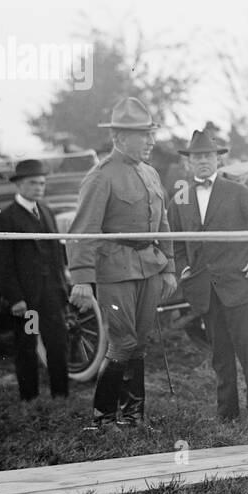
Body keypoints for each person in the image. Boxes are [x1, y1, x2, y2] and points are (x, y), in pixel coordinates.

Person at [67, 97, 176, 432]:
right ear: (119, 137)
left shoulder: (151, 173)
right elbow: (83, 230)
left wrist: (169, 266)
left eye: (151, 133)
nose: (152, 141)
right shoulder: (100, 176)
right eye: (144, 134)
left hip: (149, 267)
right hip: (115, 269)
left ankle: (133, 418)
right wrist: (82, 279)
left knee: (139, 343)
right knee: (123, 342)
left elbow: (165, 224)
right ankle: (103, 419)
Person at [167, 128, 248, 423]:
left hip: (241, 285)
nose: (202, 161)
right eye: (196, 157)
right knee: (220, 353)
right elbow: (175, 241)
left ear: (217, 159)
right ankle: (226, 410)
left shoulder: (237, 191)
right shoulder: (181, 197)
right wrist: (183, 268)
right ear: (188, 163)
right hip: (205, 288)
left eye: (208, 156)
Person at [0, 159, 70, 402]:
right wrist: (15, 298)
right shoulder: (7, 218)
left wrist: (62, 285)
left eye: (42, 183)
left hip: (51, 295)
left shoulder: (46, 210)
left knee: (57, 343)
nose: (39, 187)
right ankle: (30, 398)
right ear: (19, 185)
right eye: (33, 183)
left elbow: (56, 251)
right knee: (27, 345)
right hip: (27, 300)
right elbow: (2, 263)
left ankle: (61, 394)